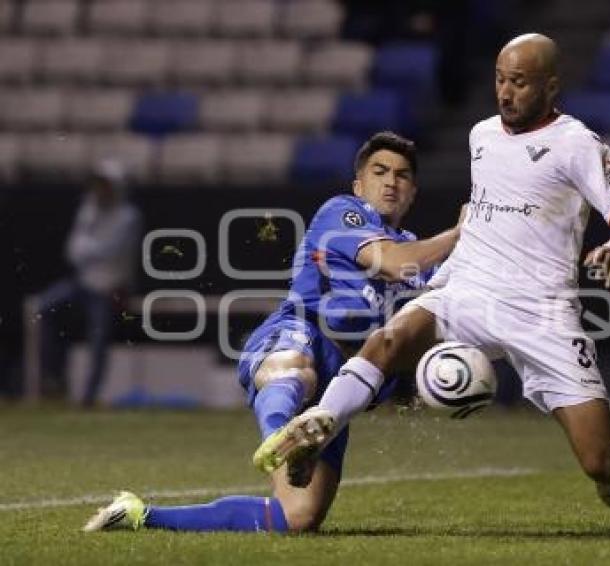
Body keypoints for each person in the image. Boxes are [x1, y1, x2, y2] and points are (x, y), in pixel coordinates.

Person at [266, 33, 610, 512]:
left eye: (521, 83)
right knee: (388, 341)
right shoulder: (482, 135)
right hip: (469, 290)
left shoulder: (577, 145)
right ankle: (321, 424)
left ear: (551, 87)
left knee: (599, 464)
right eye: (500, 80)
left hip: (541, 312)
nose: (506, 93)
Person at [83, 132, 464, 534]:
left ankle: (140, 514)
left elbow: (442, 298)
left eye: (402, 176)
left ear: (413, 192)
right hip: (300, 331)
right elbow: (391, 263)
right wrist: (457, 234)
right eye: (380, 171)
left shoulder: (421, 254)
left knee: (296, 519)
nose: (391, 182)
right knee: (294, 370)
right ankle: (283, 436)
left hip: (341, 384)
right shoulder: (343, 212)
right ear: (359, 184)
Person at [38, 160, 142, 406]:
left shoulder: (128, 216)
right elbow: (72, 250)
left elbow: (109, 250)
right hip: (82, 283)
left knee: (98, 341)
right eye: (98, 185)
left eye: (105, 185)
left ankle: (88, 397)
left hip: (109, 290)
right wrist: (87, 249)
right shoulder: (88, 208)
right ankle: (54, 378)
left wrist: (87, 248)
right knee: (44, 309)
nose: (100, 191)